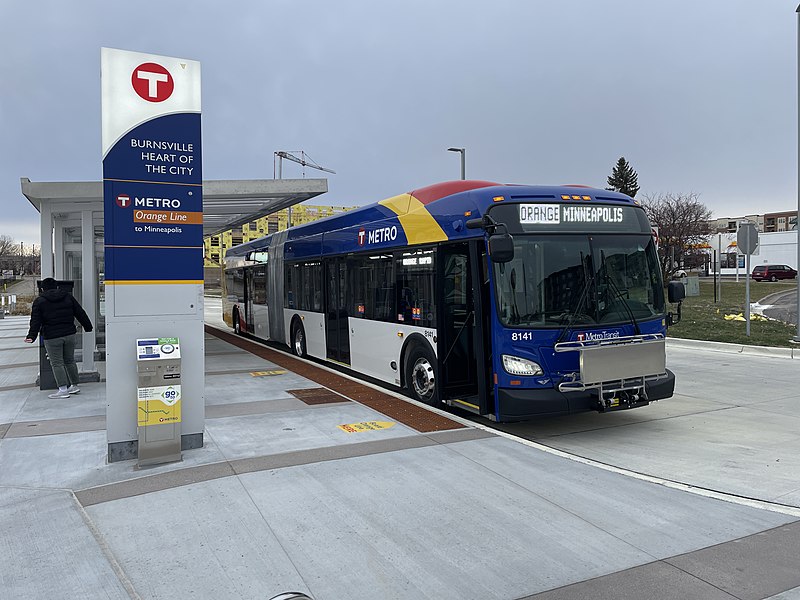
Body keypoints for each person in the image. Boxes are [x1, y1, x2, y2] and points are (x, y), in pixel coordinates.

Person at [24, 278, 93, 399]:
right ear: (56, 287)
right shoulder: (67, 297)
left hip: (52, 337)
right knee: (70, 360)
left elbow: (35, 321)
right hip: (70, 334)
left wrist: (31, 336)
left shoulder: (39, 301)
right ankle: (74, 385)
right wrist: (88, 327)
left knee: (57, 363)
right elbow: (80, 312)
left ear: (42, 289)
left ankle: (62, 389)